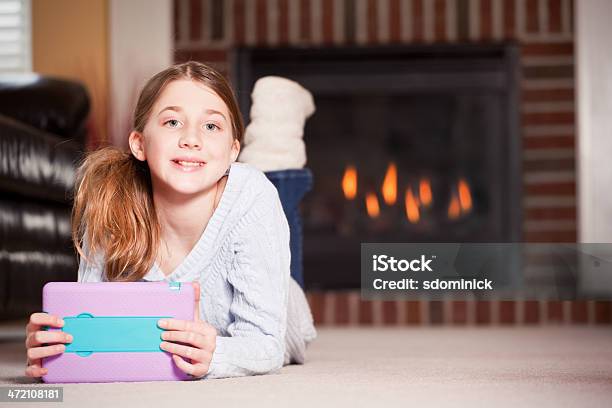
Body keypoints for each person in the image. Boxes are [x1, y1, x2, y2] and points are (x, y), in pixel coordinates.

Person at [24, 61, 317, 380]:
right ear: (139, 143)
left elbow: (265, 345)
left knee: (278, 183)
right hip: (222, 190)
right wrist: (56, 346)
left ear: (234, 151)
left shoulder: (253, 198)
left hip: (279, 299)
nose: (191, 138)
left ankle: (279, 114)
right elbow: (92, 328)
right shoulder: (109, 206)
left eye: (211, 126)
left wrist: (216, 353)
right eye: (173, 122)